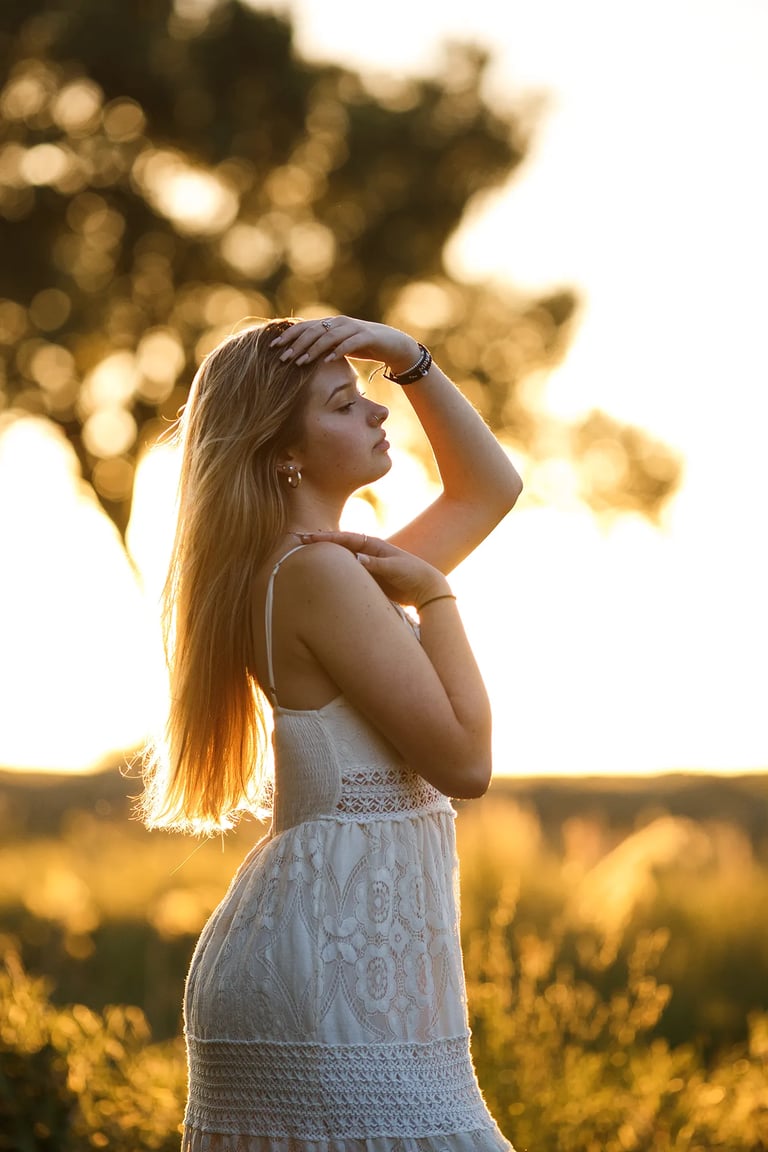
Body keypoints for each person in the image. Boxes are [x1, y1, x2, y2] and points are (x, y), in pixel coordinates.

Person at [141, 314, 523, 1151]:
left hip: (324, 948)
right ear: (285, 452)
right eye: (345, 404)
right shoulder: (318, 574)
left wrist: (406, 358)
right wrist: (437, 600)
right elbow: (465, 761)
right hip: (333, 968)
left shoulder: (316, 566)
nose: (376, 413)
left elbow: (489, 491)